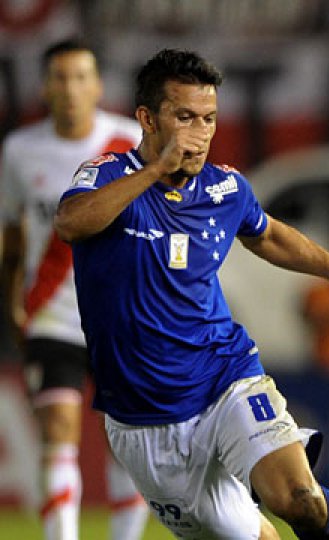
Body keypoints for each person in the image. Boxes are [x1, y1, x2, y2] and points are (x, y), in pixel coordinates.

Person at [53, 48, 329, 540]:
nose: (199, 134)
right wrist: (154, 172)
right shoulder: (109, 176)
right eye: (184, 118)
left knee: (299, 500)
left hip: (226, 379)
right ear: (147, 119)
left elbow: (272, 236)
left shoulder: (225, 189)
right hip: (144, 422)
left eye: (209, 119)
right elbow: (70, 222)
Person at [0, 39, 148, 540]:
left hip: (120, 318)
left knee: (123, 441)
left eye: (81, 77)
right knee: (58, 431)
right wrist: (12, 300)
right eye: (60, 78)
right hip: (53, 315)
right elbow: (14, 234)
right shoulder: (19, 151)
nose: (70, 89)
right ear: (44, 87)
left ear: (98, 86)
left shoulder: (130, 143)